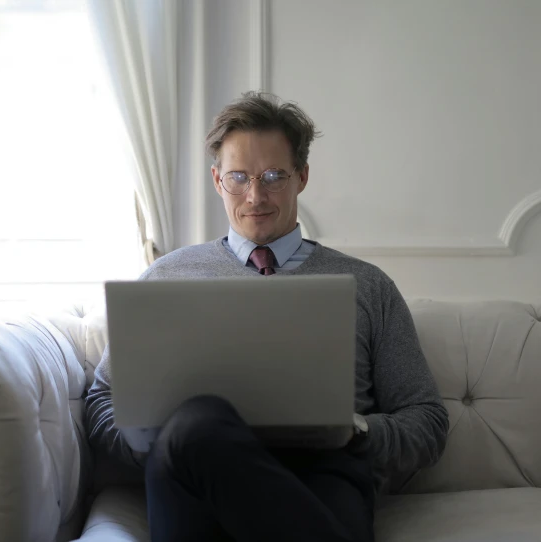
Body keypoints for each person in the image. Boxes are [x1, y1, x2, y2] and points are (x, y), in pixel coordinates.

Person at [86, 92, 449, 542]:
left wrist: (353, 430)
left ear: (303, 177)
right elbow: (102, 402)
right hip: (193, 473)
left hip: (325, 475)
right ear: (218, 181)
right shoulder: (166, 277)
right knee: (199, 420)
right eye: (238, 177)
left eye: (273, 176)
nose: (255, 196)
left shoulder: (368, 286)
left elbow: (428, 422)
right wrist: (163, 439)